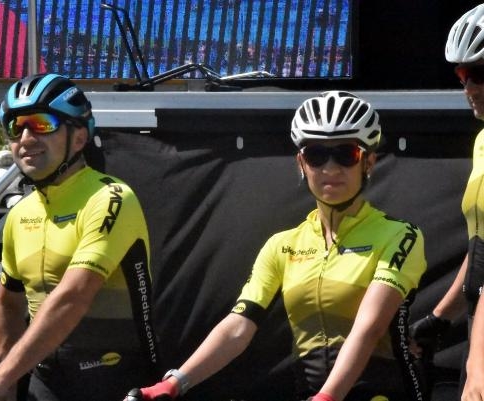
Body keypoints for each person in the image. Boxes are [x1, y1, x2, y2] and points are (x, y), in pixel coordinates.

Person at [127, 91, 428, 401]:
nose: (330, 168)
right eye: (316, 155)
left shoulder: (399, 235)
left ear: (369, 162)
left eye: (346, 154)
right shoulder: (283, 245)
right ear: (301, 163)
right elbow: (238, 326)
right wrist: (175, 383)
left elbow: (370, 327)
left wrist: (329, 396)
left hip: (382, 391)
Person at [0, 73, 159, 401]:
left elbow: (74, 295)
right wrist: (5, 386)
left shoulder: (111, 198)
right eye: (16, 127)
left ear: (79, 137)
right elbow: (8, 304)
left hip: (114, 379)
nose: (25, 137)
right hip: (46, 382)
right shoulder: (20, 214)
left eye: (41, 124)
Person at [410, 4, 484, 401]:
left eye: (481, 75)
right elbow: (481, 249)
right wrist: (440, 318)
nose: (469, 87)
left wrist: (478, 368)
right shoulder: (482, 141)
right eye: (462, 75)